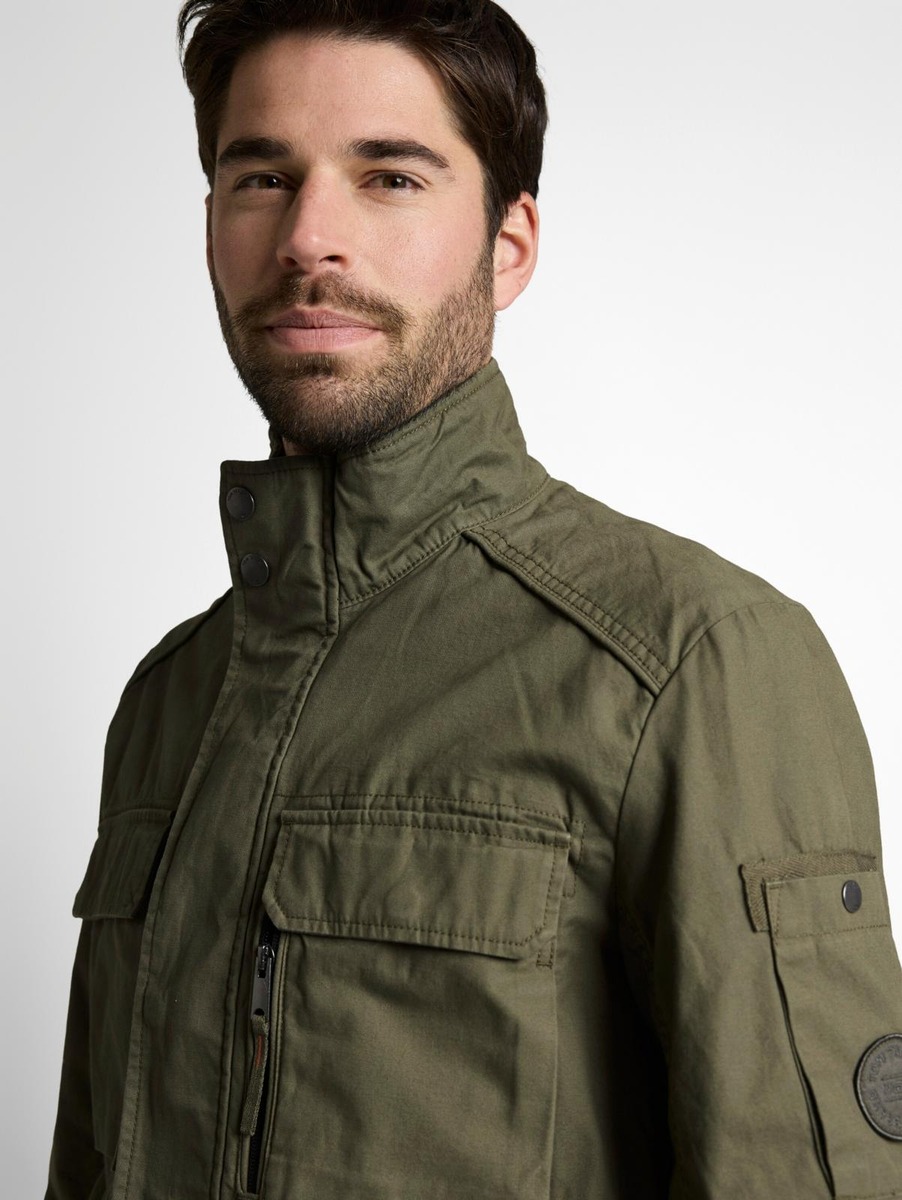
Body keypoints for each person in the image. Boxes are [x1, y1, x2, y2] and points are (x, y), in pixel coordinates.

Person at [45, 1, 902, 1197]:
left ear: (507, 246)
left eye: (389, 177)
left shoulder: (690, 661)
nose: (308, 238)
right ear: (209, 227)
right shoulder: (170, 698)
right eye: (262, 178)